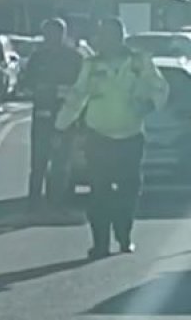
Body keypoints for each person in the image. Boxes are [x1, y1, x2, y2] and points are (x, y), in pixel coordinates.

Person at [56, 18, 168, 259]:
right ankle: (100, 244)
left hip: (130, 137)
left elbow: (160, 88)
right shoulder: (92, 65)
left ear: (120, 36)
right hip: (99, 136)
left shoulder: (139, 62)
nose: (105, 41)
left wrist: (149, 105)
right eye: (102, 35)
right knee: (99, 193)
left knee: (128, 192)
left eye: (110, 35)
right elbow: (77, 95)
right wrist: (61, 125)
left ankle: (124, 235)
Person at [22, 18, 83, 211]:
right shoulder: (38, 58)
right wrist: (38, 89)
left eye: (55, 34)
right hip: (42, 116)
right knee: (38, 162)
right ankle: (34, 202)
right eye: (47, 34)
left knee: (61, 163)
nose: (51, 38)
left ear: (63, 35)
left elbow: (82, 87)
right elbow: (26, 83)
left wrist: (60, 91)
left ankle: (57, 202)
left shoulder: (74, 58)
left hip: (66, 116)